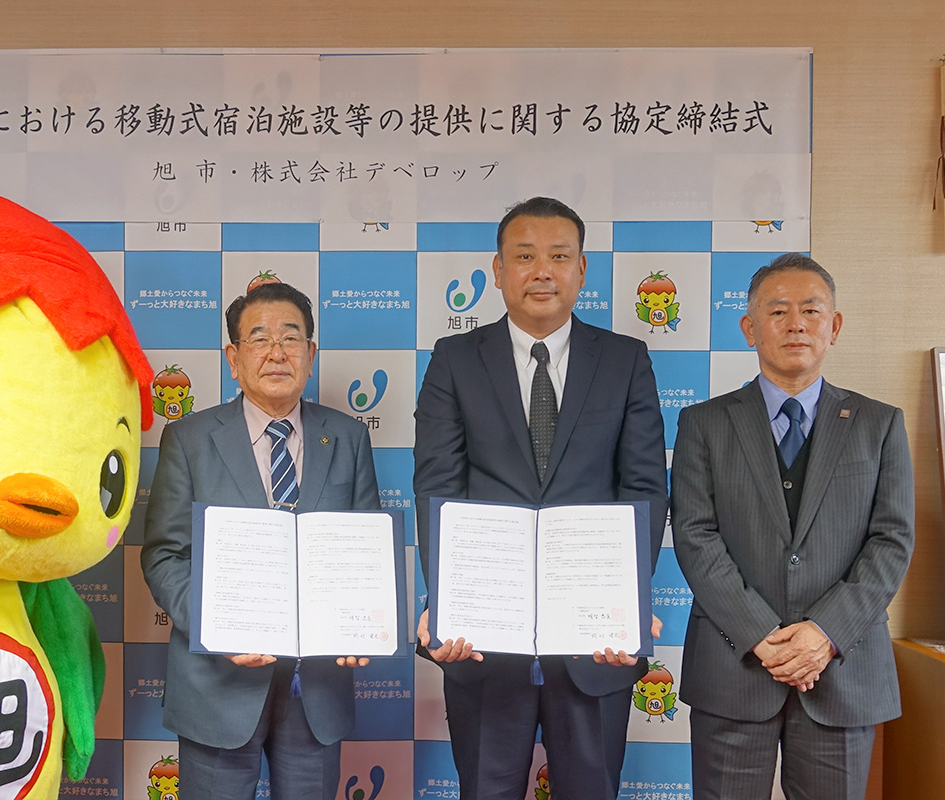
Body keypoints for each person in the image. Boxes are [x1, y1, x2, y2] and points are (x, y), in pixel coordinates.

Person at [413, 196, 668, 800]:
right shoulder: (454, 359)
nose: (542, 272)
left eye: (559, 256)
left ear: (582, 270)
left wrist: (625, 602)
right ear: (498, 270)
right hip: (484, 643)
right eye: (525, 257)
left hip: (594, 646)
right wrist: (447, 602)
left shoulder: (625, 359)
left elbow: (643, 489)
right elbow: (438, 488)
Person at [670, 253, 914, 799]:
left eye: (811, 310)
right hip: (733, 669)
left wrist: (824, 634)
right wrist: (764, 637)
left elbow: (892, 540)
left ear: (835, 326)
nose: (796, 324)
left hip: (841, 671)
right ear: (749, 328)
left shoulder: (878, 424)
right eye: (778, 311)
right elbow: (694, 535)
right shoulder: (703, 423)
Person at [141, 281, 380, 800]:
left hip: (316, 687)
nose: (276, 352)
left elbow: (365, 554)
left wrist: (361, 627)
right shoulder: (188, 439)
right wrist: (217, 628)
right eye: (259, 339)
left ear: (310, 354)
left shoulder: (348, 437)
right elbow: (165, 556)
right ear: (234, 358)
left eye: (290, 338)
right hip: (216, 684)